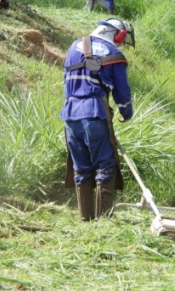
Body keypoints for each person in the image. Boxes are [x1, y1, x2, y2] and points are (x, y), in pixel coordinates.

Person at [61, 18, 135, 222]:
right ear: (117, 34)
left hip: (70, 113)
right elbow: (122, 91)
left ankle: (85, 219)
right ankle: (102, 222)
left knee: (81, 168)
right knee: (105, 166)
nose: (120, 43)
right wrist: (126, 113)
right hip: (95, 112)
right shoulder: (114, 55)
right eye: (121, 39)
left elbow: (66, 82)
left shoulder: (74, 47)